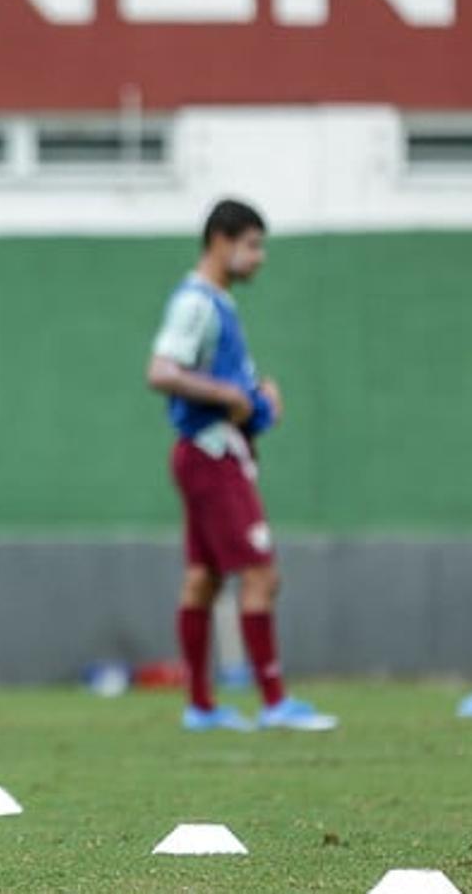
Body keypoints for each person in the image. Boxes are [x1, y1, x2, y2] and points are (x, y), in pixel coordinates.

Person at [146, 199, 337, 733]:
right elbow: (161, 371)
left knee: (204, 579)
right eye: (253, 245)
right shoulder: (197, 302)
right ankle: (275, 701)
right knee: (260, 573)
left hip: (207, 452)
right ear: (221, 241)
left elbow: (226, 390)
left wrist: (259, 399)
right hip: (210, 456)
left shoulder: (221, 304)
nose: (260, 257)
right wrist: (232, 394)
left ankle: (201, 707)